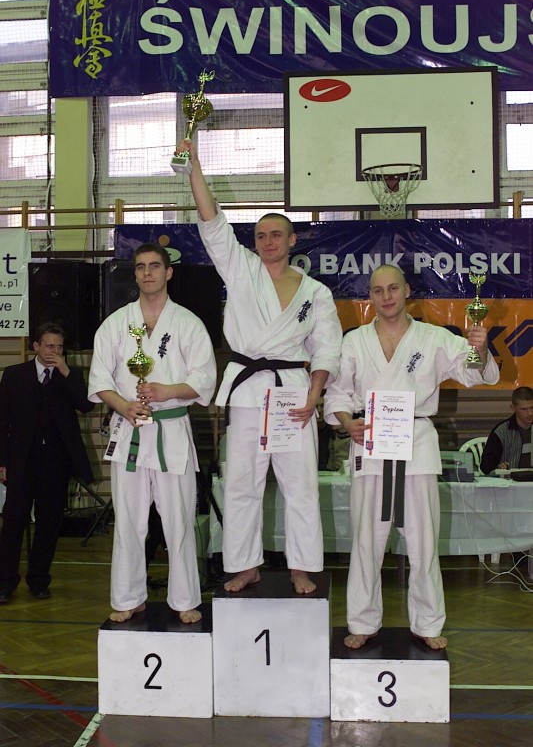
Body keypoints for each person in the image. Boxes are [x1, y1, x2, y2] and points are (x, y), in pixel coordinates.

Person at [177, 138, 343, 595]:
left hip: (293, 393)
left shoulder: (316, 292)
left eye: (275, 235)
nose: (267, 242)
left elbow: (327, 347)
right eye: (260, 236)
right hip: (249, 390)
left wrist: (315, 394)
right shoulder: (241, 269)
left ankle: (302, 566)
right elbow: (213, 223)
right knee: (241, 483)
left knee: (300, 484)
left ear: (292, 240)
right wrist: (195, 167)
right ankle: (244, 563)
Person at [324, 264, 499, 650]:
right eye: (378, 290)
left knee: (423, 543)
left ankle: (428, 624)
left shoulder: (433, 337)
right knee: (365, 542)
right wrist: (347, 423)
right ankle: (362, 621)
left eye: (392, 288)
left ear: (406, 291)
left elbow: (475, 374)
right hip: (370, 445)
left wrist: (479, 348)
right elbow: (336, 394)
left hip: (416, 446)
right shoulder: (354, 342)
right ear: (370, 297)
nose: (386, 296)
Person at [88, 243, 217, 623]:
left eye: (155, 266)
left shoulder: (188, 324)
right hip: (129, 430)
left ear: (168, 272)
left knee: (179, 520)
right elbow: (100, 379)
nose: (148, 273)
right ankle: (128, 597)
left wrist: (167, 391)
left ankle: (185, 599)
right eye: (141, 267)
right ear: (135, 274)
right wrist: (123, 405)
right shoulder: (115, 324)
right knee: (129, 522)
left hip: (171, 429)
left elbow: (205, 380)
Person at [0, 322, 94, 603]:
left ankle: (39, 580)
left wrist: (66, 372)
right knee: (13, 522)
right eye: (50, 345)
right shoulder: (14, 375)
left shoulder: (70, 375)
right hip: (21, 461)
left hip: (56, 462)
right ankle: (5, 583)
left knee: (49, 523)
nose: (55, 351)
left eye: (60, 347)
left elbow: (86, 405)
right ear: (36, 347)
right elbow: (2, 420)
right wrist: (2, 461)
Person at [480, 386, 533, 474]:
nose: (530, 413)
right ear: (513, 408)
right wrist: (498, 468)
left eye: (532, 408)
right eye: (524, 409)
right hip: (510, 480)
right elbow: (485, 464)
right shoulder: (501, 431)